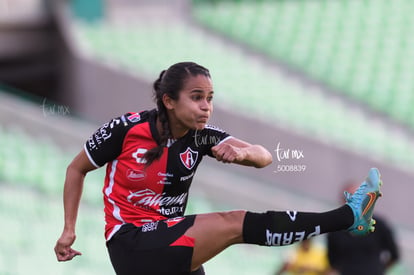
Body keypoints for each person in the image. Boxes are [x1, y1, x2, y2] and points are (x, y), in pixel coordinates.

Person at [54, 62, 384, 275]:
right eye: (197, 97)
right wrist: (69, 229)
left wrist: (243, 155)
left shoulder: (203, 138)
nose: (206, 106)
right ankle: (346, 217)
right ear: (169, 100)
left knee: (233, 225)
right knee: (233, 223)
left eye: (210, 98)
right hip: (132, 243)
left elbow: (263, 155)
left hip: (168, 240)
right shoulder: (127, 128)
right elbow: (76, 169)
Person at [327, 181, 399, 275]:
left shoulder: (379, 225)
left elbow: (394, 255)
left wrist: (380, 269)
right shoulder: (335, 229)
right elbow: (332, 261)